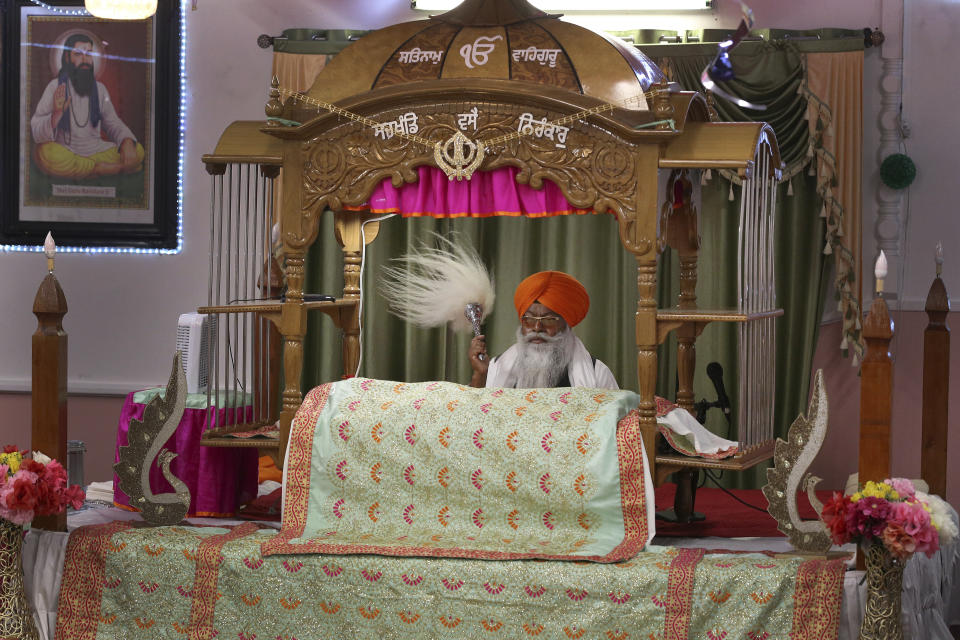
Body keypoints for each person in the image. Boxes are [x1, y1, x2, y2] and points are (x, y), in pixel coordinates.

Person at [469, 270, 617, 390]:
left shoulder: (597, 373)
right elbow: (476, 419)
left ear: (567, 325)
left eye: (548, 320)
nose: (537, 328)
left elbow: (614, 424)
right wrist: (481, 375)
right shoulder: (498, 367)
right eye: (529, 319)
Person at [30, 32, 144, 179]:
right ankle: (102, 169)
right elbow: (36, 130)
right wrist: (57, 113)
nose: (85, 60)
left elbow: (113, 123)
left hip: (96, 150)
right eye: (78, 54)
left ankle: (94, 168)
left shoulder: (100, 89)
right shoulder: (55, 87)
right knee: (43, 153)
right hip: (66, 151)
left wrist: (127, 142)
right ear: (67, 57)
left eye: (88, 54)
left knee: (137, 149)